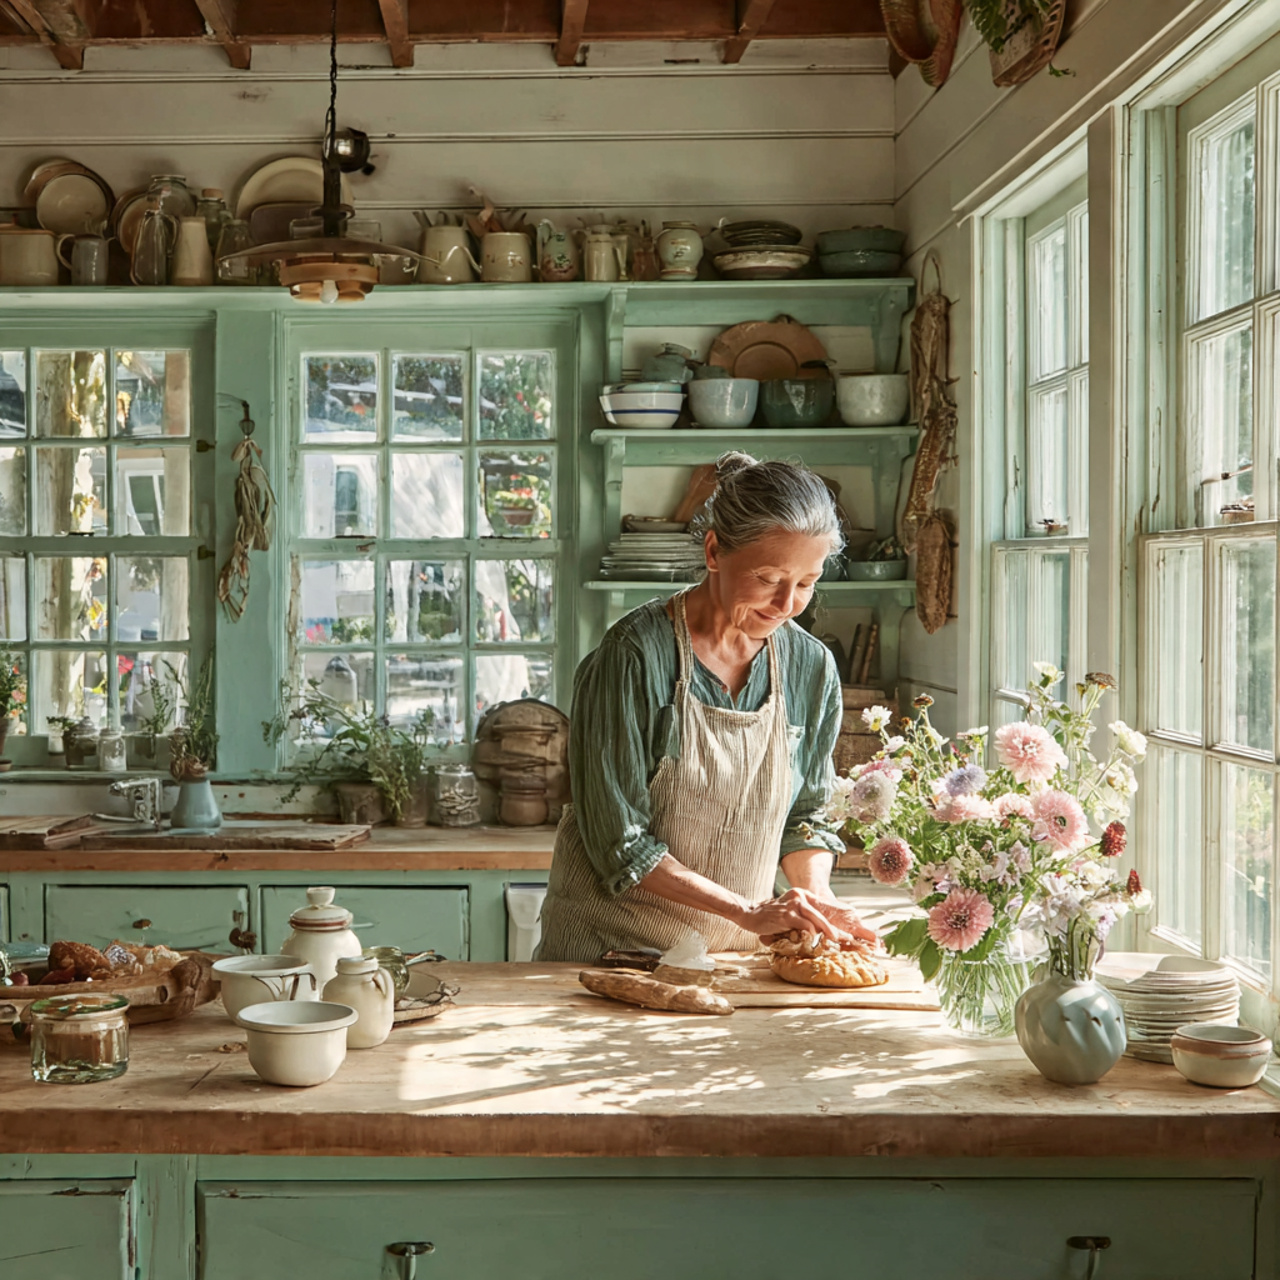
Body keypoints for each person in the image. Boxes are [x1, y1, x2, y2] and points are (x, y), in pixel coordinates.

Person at [537, 451, 876, 962]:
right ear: (715, 551)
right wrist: (746, 910)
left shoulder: (811, 666)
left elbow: (806, 813)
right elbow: (620, 844)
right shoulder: (633, 656)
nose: (786, 605)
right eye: (768, 578)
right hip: (611, 955)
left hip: (734, 960)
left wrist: (818, 899)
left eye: (806, 583)